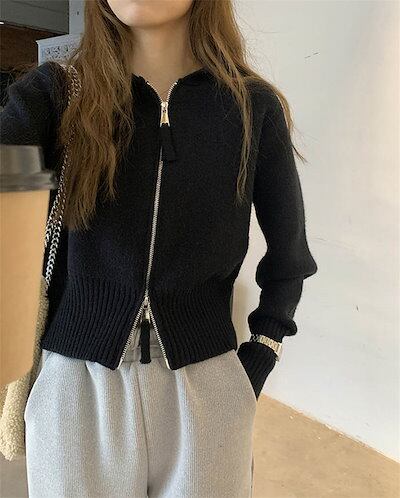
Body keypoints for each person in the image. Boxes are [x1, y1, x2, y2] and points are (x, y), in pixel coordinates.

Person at [0, 0, 318, 496]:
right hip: (76, 386)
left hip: (208, 384)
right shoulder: (55, 96)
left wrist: (259, 355)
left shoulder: (250, 107)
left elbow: (290, 256)